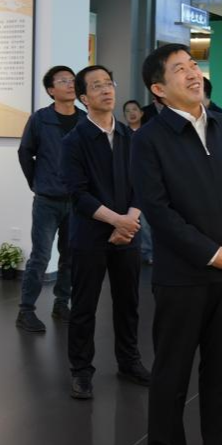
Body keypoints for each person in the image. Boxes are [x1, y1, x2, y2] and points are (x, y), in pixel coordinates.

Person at [131, 43, 222, 445]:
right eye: (179, 69)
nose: (192, 73)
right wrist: (211, 253)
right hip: (182, 275)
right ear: (158, 89)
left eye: (193, 65)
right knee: (172, 370)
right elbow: (158, 210)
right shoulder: (149, 139)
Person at [61, 66, 151, 400]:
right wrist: (118, 222)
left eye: (109, 83)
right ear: (84, 98)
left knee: (129, 303)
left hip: (128, 232)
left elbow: (143, 183)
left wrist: (129, 221)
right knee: (84, 306)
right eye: (96, 86)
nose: (106, 90)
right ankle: (81, 370)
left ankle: (129, 361)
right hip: (90, 235)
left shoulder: (132, 137)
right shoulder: (74, 140)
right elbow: (78, 193)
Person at [15, 65, 82, 333]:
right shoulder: (40, 119)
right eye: (63, 81)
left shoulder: (84, 119)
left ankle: (61, 303)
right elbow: (25, 152)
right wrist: (37, 182)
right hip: (47, 200)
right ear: (51, 90)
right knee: (41, 256)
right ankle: (26, 311)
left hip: (76, 201)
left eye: (72, 80)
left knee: (71, 256)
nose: (70, 84)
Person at [122, 99, 153, 264]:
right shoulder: (122, 135)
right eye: (127, 111)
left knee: (149, 220)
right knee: (133, 219)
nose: (131, 113)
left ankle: (149, 252)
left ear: (141, 113)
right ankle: (138, 252)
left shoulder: (150, 133)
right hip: (128, 184)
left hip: (149, 182)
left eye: (134, 109)